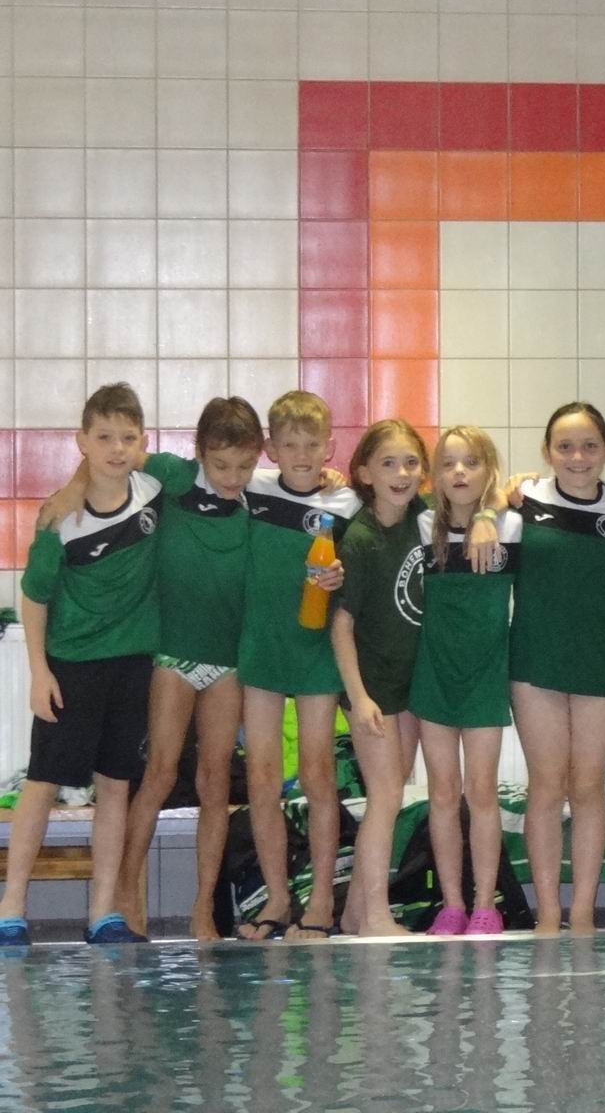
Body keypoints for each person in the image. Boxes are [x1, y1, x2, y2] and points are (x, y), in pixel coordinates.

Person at [42, 396, 267, 942]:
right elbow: (108, 461)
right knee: (159, 775)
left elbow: (306, 486)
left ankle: (202, 909)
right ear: (199, 452)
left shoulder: (257, 498)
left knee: (215, 783)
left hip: (227, 663)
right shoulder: (172, 475)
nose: (232, 478)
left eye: (244, 466)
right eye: (221, 466)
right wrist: (72, 488)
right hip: (171, 656)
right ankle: (125, 898)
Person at [0, 384, 164, 947]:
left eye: (127, 437)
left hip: (133, 665)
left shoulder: (153, 491)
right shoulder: (59, 517)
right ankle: (11, 908)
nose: (117, 448)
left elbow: (227, 474)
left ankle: (102, 913)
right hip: (72, 667)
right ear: (82, 442)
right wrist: (40, 672)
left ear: (142, 442)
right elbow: (34, 599)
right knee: (42, 783)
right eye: (104, 437)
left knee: (115, 785)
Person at [234, 390, 362, 941]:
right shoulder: (253, 490)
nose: (302, 455)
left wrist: (340, 577)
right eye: (290, 445)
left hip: (315, 652)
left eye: (312, 445)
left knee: (318, 775)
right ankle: (277, 897)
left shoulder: (346, 503)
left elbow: (364, 568)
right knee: (262, 778)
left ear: (329, 446)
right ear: (271, 449)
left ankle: (322, 900)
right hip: (263, 649)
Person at [511, 402, 605, 934]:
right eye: (565, 447)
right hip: (534, 657)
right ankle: (547, 912)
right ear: (547, 452)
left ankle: (582, 912)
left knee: (587, 787)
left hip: (600, 660)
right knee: (545, 786)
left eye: (589, 446)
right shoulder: (522, 501)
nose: (577, 457)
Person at [411, 426, 518, 938]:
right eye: (448, 463)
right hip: (434, 674)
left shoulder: (511, 525)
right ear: (434, 474)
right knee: (442, 793)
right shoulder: (421, 523)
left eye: (471, 462)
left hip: (485, 675)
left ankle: (484, 904)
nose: (459, 472)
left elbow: (521, 488)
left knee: (481, 792)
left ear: (488, 471)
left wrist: (487, 514)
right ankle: (451, 904)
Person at [331, 420, 433, 938]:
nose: (401, 473)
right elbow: (341, 627)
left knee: (390, 796)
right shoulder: (360, 538)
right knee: (386, 797)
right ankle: (374, 914)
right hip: (372, 689)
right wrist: (358, 696)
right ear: (365, 473)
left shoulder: (422, 517)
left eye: (411, 462)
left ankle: (354, 914)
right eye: (388, 463)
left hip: (410, 685)